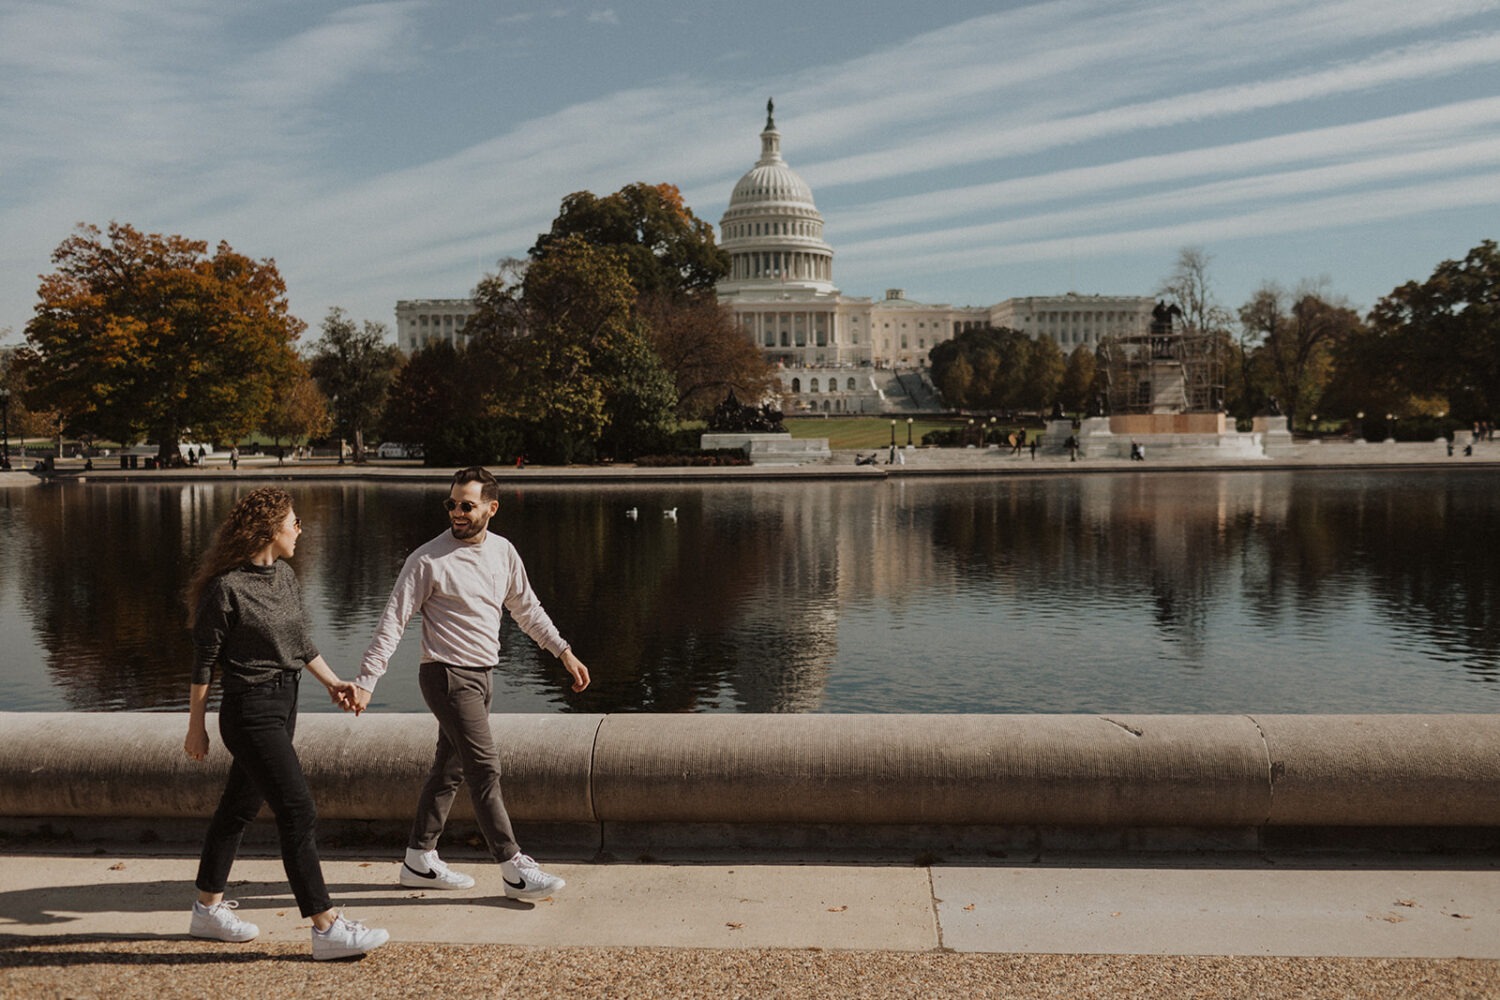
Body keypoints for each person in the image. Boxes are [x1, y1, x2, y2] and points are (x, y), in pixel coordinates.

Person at [351, 466, 591, 901]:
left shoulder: (503, 552)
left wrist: (563, 651)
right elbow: (392, 621)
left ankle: (418, 859)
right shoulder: (427, 559)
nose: (457, 513)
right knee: (485, 767)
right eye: (451, 504)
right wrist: (368, 680)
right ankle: (512, 865)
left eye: (467, 505)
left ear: (491, 508)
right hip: (445, 675)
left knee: (449, 768)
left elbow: (527, 609)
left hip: (482, 674)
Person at [183, 486, 388, 961]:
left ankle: (206, 910)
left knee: (236, 810)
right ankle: (326, 926)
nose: (300, 529)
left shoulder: (285, 576)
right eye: (294, 521)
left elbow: (299, 643)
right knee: (298, 812)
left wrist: (335, 683)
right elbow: (203, 665)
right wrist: (196, 727)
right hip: (249, 712)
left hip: (284, 705)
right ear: (270, 528)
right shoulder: (225, 588)